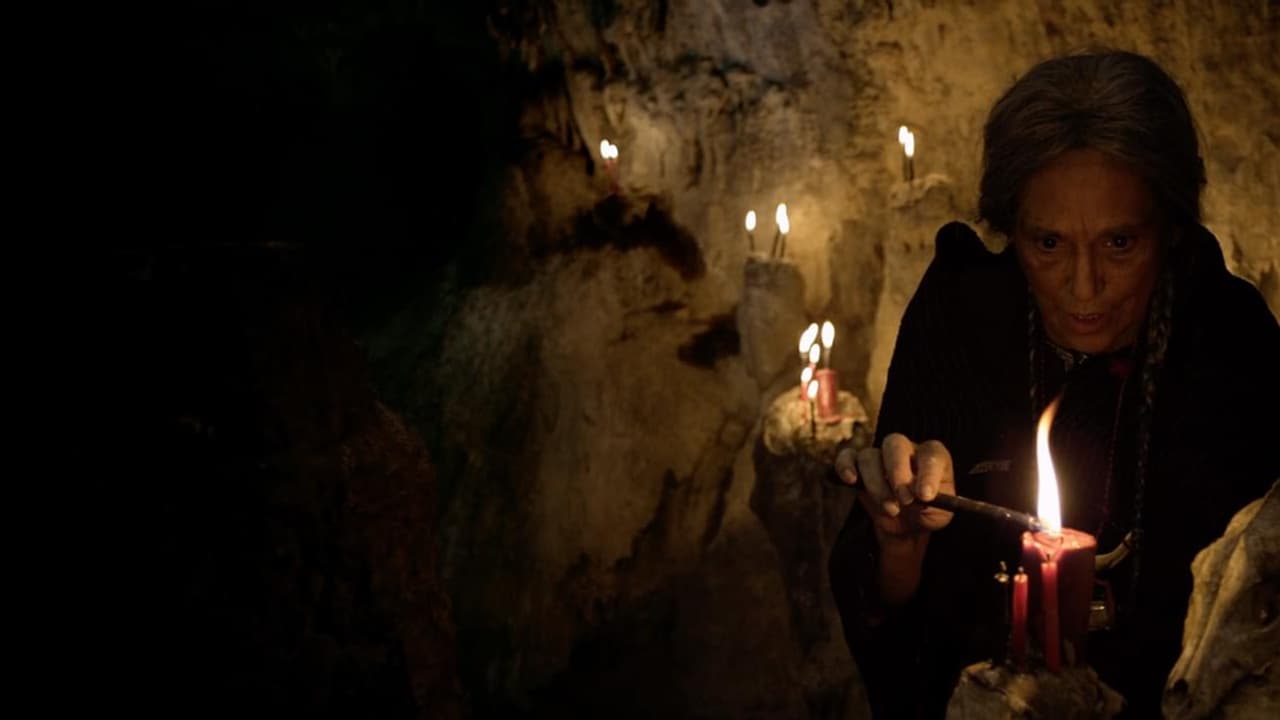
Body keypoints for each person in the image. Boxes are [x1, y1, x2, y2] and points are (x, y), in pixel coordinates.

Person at [829, 49, 1280, 718]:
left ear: (1170, 231)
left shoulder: (1227, 341)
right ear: (1012, 229)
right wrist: (900, 546)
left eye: (1120, 244)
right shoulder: (963, 314)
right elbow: (892, 623)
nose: (1084, 287)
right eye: (1048, 244)